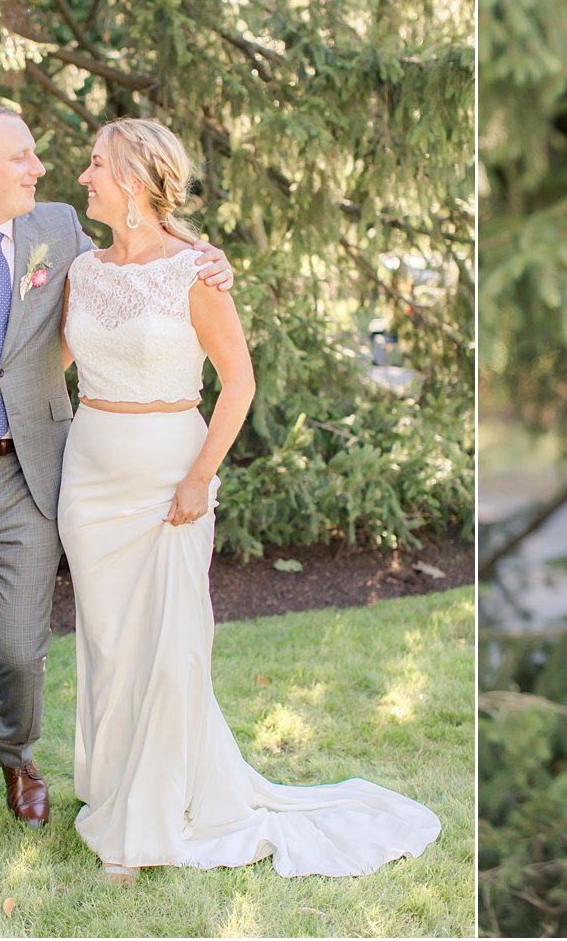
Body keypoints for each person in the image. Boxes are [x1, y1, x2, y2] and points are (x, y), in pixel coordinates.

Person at [59, 117, 441, 884]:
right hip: (89, 479)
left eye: (95, 164)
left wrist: (200, 476)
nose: (84, 176)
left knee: (171, 651)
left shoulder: (195, 272)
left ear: (133, 178)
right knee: (108, 648)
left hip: (170, 475)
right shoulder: (80, 270)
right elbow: (49, 358)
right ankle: (118, 793)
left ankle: (140, 832)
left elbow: (239, 382)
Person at [0, 105, 234, 850]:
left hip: (35, 475)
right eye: (22, 157)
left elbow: (141, 255)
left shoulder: (56, 229)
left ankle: (20, 758)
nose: (40, 168)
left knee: (21, 649)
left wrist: (208, 256)